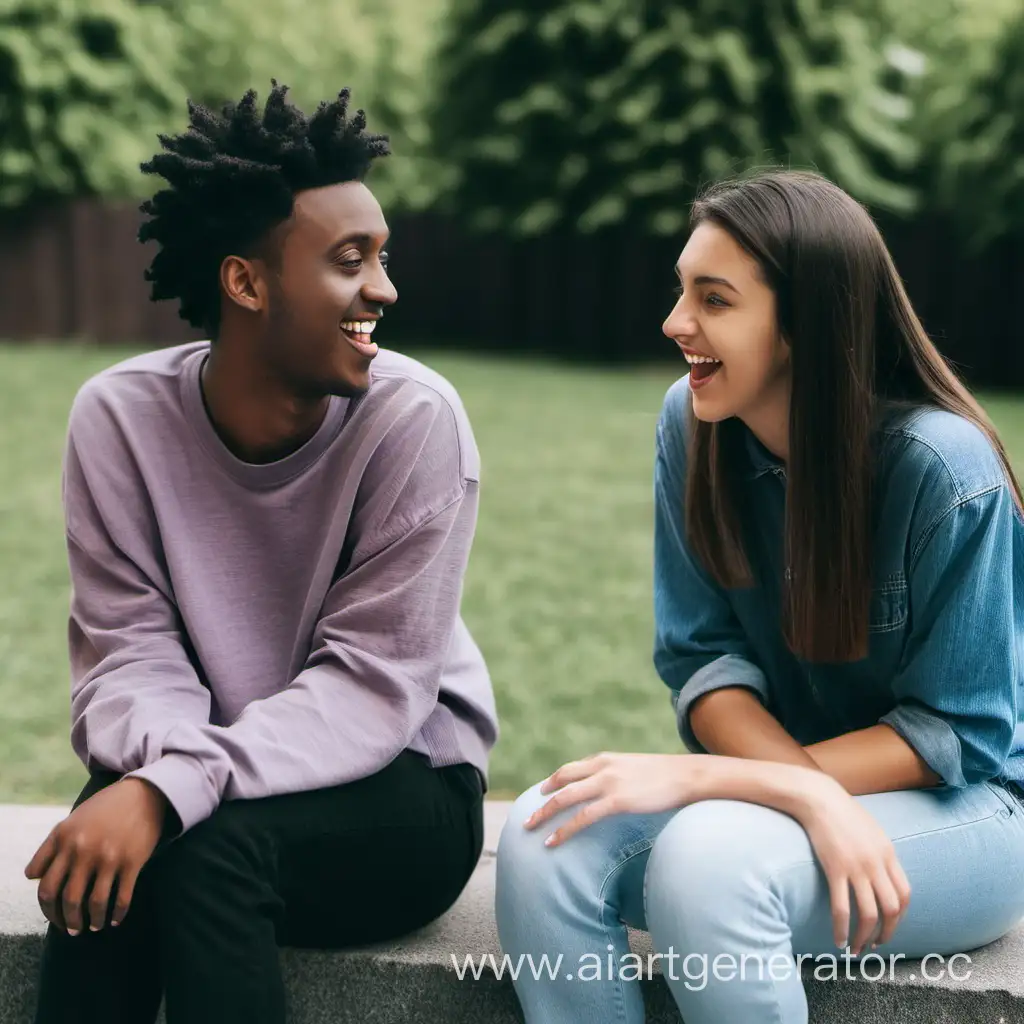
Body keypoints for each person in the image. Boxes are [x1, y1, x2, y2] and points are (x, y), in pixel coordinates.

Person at [494, 169, 1024, 1024]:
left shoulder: (944, 474)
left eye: (714, 299)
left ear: (804, 326)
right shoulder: (692, 425)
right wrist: (799, 790)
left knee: (708, 862)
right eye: (682, 291)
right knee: (541, 833)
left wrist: (763, 785)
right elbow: (705, 658)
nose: (675, 323)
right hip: (779, 792)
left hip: (969, 813)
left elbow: (961, 732)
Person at [25, 81, 498, 1024]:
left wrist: (171, 790)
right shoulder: (119, 420)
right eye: (351, 260)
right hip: (201, 746)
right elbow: (128, 650)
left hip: (401, 782)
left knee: (200, 847)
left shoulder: (414, 421)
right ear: (246, 283)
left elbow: (370, 686)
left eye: (384, 257)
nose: (386, 289)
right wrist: (158, 782)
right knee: (98, 859)